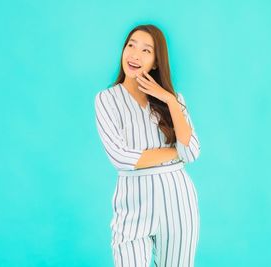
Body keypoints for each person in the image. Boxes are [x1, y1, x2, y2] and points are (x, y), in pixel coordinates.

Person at [94, 24, 201, 267]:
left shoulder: (174, 100)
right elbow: (121, 158)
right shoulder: (106, 99)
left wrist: (169, 100)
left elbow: (192, 152)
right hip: (132, 205)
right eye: (131, 45)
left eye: (145, 50)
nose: (134, 54)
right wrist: (175, 153)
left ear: (155, 62)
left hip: (178, 201)